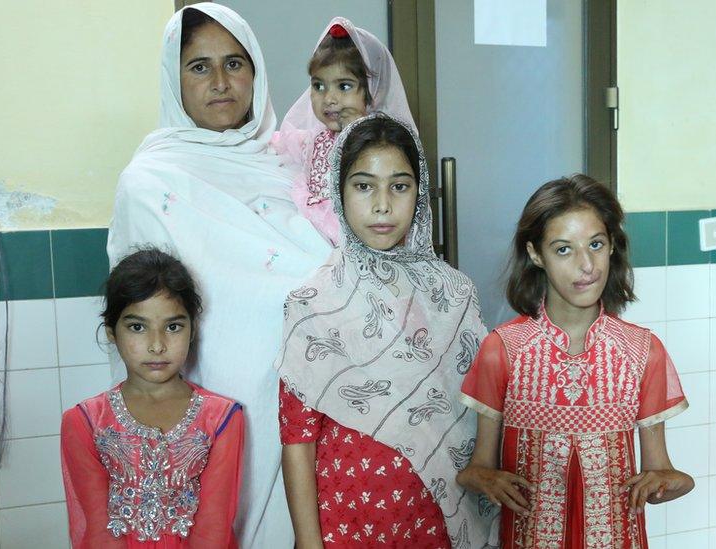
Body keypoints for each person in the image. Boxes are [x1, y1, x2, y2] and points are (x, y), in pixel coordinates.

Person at [106, 4, 331, 547]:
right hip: (211, 397)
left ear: (256, 72)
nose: (222, 82)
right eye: (199, 67)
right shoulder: (149, 180)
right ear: (173, 78)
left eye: (235, 63)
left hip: (313, 396)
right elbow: (141, 315)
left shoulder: (295, 165)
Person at [277, 114, 492, 548]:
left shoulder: (453, 294)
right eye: (363, 186)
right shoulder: (312, 302)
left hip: (435, 514)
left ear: (420, 193)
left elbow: (477, 412)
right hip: (347, 517)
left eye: (399, 186)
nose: (382, 204)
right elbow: (297, 437)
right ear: (339, 193)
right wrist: (307, 540)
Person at [456, 175, 694, 548]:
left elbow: (661, 471)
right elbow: (476, 469)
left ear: (612, 245)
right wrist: (487, 479)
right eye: (564, 250)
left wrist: (671, 481)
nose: (587, 265)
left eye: (596, 244)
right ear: (536, 254)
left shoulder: (642, 351)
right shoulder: (503, 349)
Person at [61, 248, 243, 548]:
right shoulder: (85, 423)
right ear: (111, 331)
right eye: (137, 327)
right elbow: (98, 530)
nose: (157, 345)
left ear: (192, 329)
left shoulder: (221, 419)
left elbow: (214, 528)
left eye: (173, 327)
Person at [274, 17, 415, 246]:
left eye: (344, 86)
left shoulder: (383, 145)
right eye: (319, 86)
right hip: (312, 242)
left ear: (373, 90)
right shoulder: (310, 140)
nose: (329, 98)